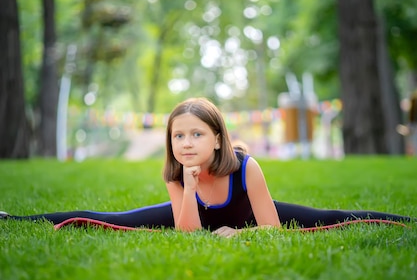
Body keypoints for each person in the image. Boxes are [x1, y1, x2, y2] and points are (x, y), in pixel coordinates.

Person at [1, 97, 413, 237]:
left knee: (329, 218)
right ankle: (12, 216)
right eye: (179, 136)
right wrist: (189, 184)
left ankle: (407, 220)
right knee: (109, 218)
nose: (186, 143)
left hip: (247, 214)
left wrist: (238, 233)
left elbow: (270, 229)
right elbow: (188, 233)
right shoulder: (176, 172)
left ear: (217, 137)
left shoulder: (245, 167)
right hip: (191, 209)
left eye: (196, 134)